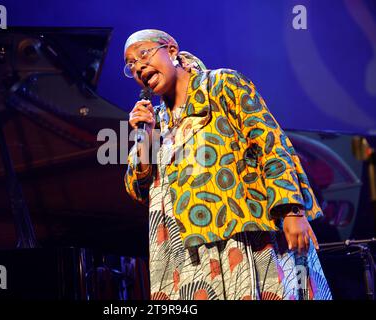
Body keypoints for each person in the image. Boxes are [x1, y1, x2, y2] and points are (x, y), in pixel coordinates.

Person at [123, 29, 332, 300]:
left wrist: (292, 210)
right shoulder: (155, 121)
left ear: (171, 50)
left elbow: (270, 143)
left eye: (143, 54)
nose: (138, 66)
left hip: (247, 237)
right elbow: (136, 188)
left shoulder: (221, 84)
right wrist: (146, 139)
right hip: (187, 254)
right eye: (130, 65)